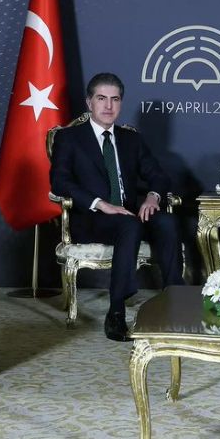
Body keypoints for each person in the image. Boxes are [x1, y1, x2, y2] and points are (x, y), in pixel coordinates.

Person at [49, 72, 182, 342]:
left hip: (129, 215)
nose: (108, 106)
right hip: (92, 219)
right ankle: (117, 312)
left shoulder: (131, 139)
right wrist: (102, 204)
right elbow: (60, 182)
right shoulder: (69, 138)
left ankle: (174, 301)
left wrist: (153, 196)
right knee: (129, 224)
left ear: (121, 103)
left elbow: (158, 176)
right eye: (102, 99)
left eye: (115, 99)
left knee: (166, 222)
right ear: (89, 102)